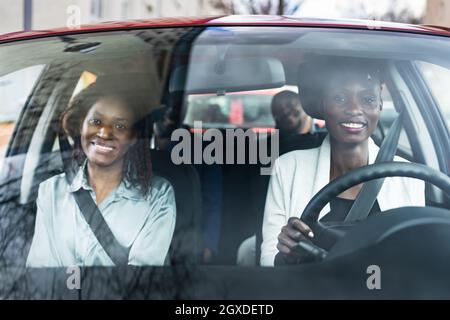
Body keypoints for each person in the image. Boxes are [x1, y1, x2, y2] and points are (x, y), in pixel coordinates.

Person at [260, 57, 425, 266]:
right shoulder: (288, 167)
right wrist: (286, 254)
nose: (354, 109)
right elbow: (267, 261)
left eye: (368, 99)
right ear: (323, 105)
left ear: (380, 106)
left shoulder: (408, 175)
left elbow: (416, 259)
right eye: (339, 98)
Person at [26, 80, 176, 267]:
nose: (105, 133)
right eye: (96, 121)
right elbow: (39, 276)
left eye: (120, 126)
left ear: (132, 138)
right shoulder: (50, 191)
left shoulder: (158, 196)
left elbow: (140, 283)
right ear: (81, 126)